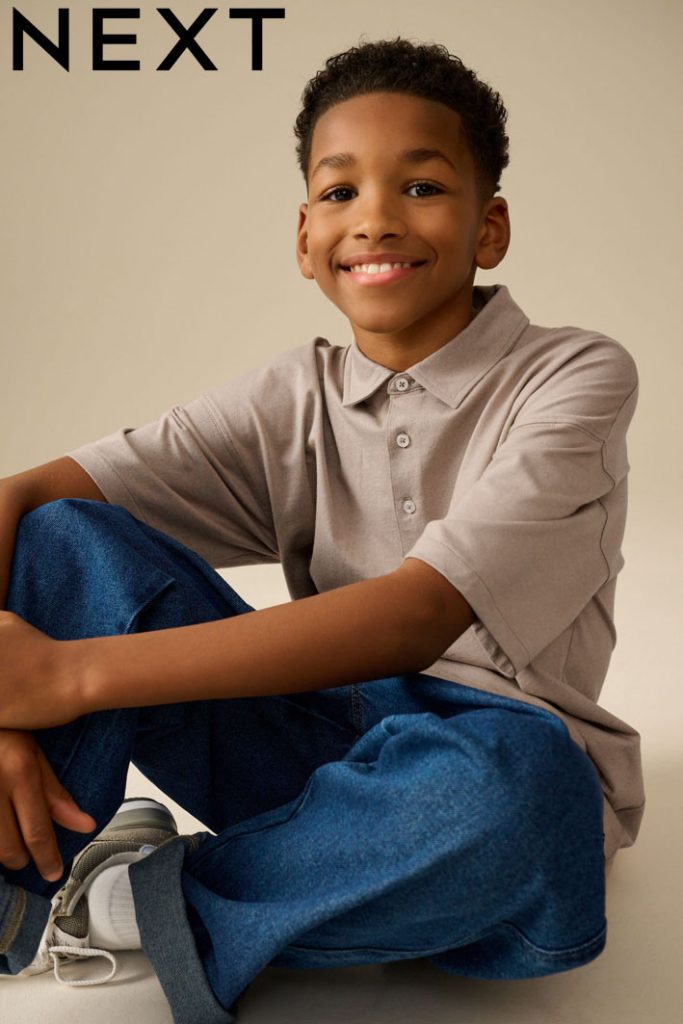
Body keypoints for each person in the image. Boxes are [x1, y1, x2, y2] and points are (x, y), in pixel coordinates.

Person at [0, 37, 644, 1024]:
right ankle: (22, 888)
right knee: (63, 537)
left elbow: (417, 616)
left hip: (484, 766)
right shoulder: (292, 394)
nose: (375, 217)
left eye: (421, 186)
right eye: (340, 192)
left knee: (515, 794)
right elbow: (25, 498)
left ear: (489, 227)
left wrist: (67, 677)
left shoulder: (573, 376)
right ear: (304, 239)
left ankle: (135, 898)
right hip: (314, 743)